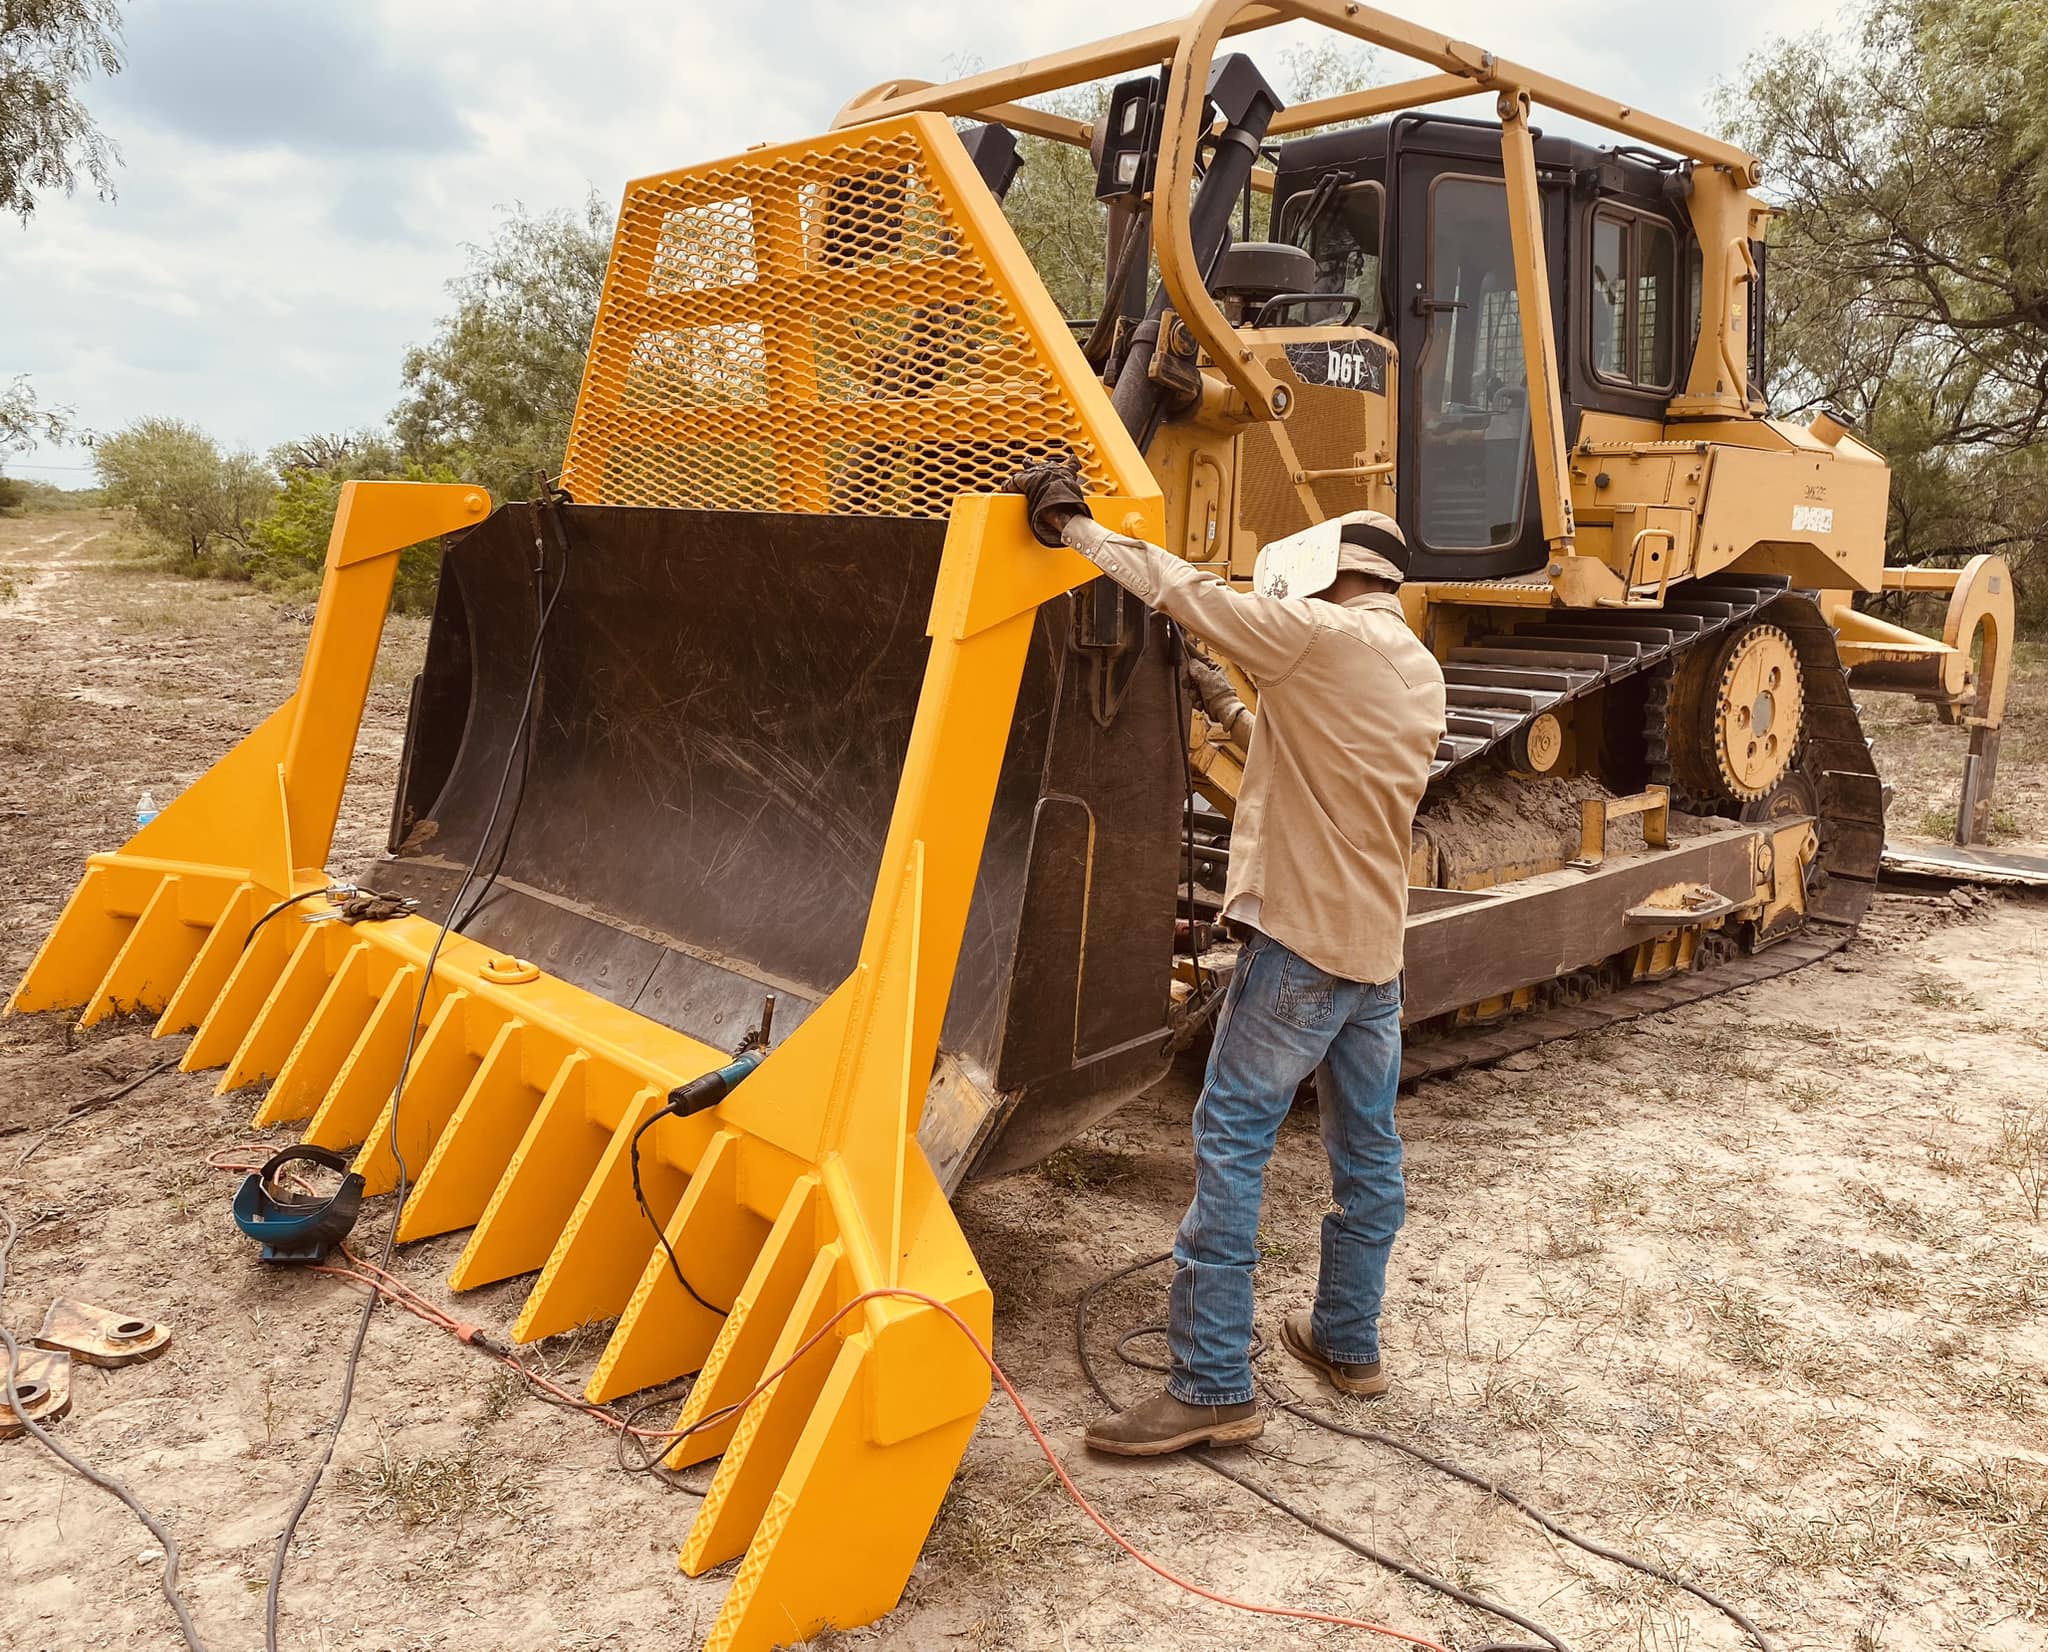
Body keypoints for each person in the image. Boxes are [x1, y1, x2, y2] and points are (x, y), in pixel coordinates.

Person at [1006, 463, 1448, 1457]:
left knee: (1230, 1138)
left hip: (1298, 942)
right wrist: (1217, 691)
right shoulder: (1410, 665)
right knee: (1365, 1153)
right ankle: (1345, 1339)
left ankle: (1210, 1383)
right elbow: (1317, 764)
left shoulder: (1316, 635)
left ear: (1329, 571)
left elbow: (1185, 589)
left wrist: (1074, 525)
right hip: (1372, 950)